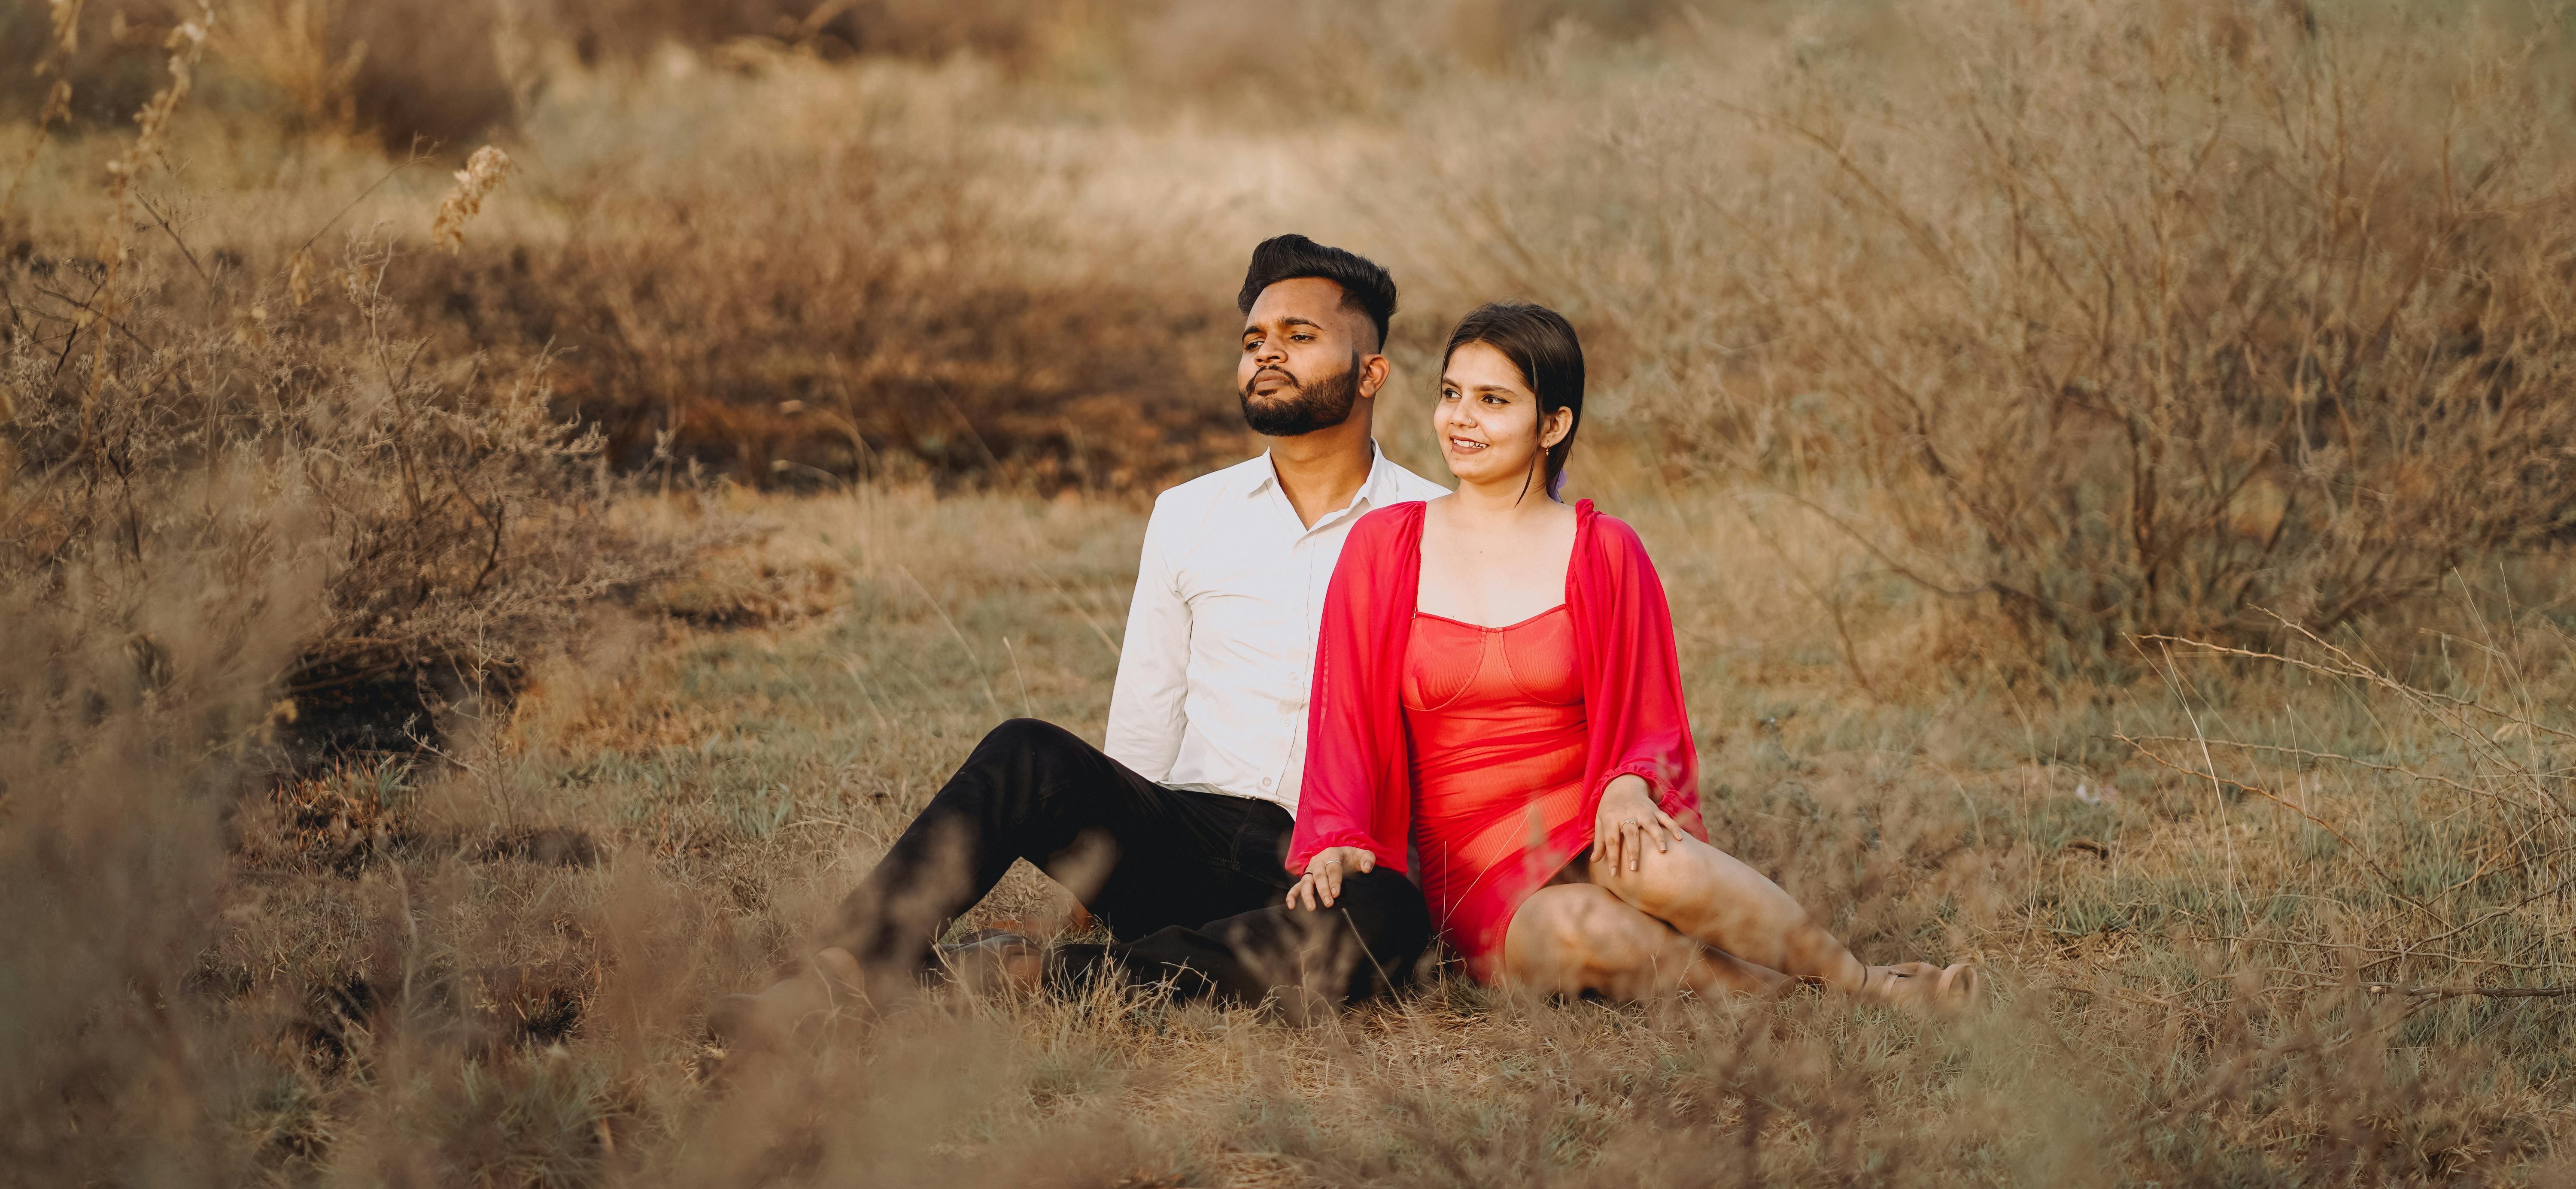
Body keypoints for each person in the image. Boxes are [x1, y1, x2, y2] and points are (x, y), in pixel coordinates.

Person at [713, 235, 1446, 1046]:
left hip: (1330, 869)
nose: (1266, 354)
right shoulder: (1190, 513)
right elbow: (1151, 701)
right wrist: (1103, 869)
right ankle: (844, 970)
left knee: (1393, 916)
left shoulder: (1437, 526)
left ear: (1371, 372)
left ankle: (1030, 976)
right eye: (1253, 341)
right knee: (1026, 750)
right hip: (1185, 834)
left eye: (1299, 338)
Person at [1286, 301, 1976, 1010]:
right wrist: (1338, 837)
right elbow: (1343, 721)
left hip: (1590, 814)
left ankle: (1866, 983)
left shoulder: (1605, 550)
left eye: (1493, 401)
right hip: (1475, 866)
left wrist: (1628, 783)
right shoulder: (1385, 546)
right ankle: (1796, 996)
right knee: (1581, 929)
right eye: (1452, 394)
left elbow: (1651, 717)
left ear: (1552, 424)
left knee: (1659, 868)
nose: (1461, 419)